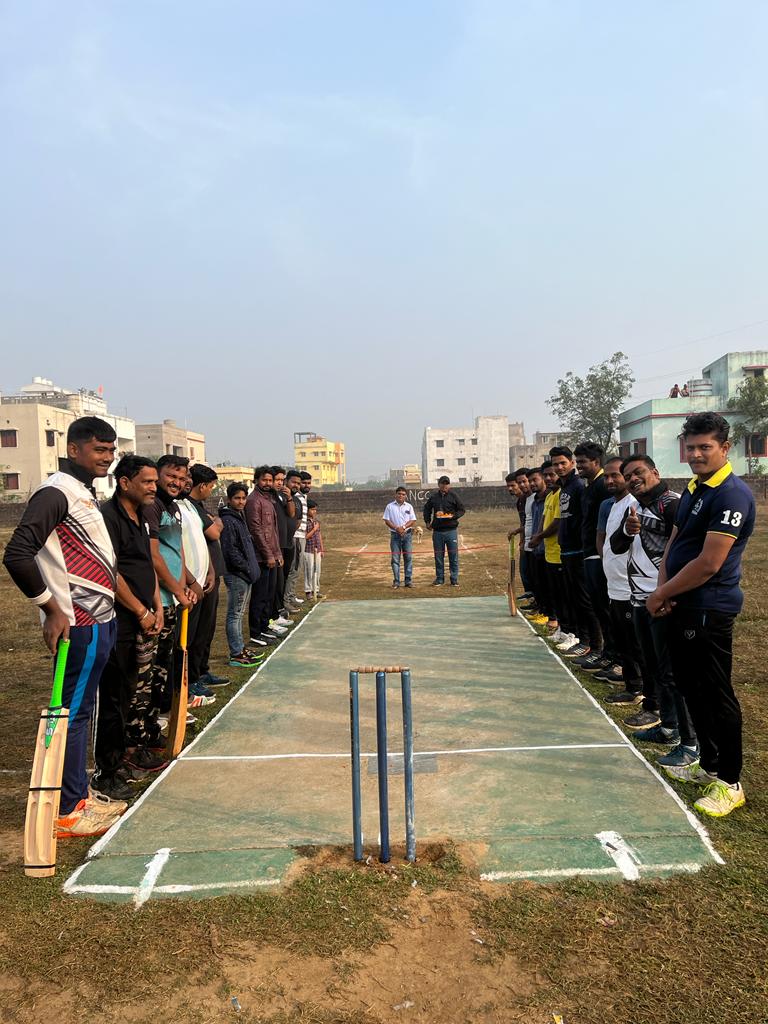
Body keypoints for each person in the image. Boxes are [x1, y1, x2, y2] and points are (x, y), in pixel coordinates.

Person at [3, 416, 124, 837]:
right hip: (79, 622)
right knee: (71, 714)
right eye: (99, 450)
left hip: (101, 618)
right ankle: (69, 810)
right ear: (74, 449)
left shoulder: (83, 491)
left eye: (111, 451)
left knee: (82, 711)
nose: (107, 458)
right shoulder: (56, 491)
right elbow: (17, 554)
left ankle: (79, 795)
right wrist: (51, 609)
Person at [651, 412, 755, 817]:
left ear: (725, 448)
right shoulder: (695, 488)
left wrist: (662, 592)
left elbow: (710, 563)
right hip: (681, 603)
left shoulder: (731, 495)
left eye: (704, 447)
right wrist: (664, 587)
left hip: (709, 607)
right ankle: (709, 766)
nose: (695, 454)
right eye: (690, 447)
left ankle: (730, 782)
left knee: (715, 693)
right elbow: (675, 543)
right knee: (690, 687)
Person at [609, 455, 697, 765]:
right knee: (656, 668)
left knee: (673, 673)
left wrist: (669, 592)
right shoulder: (634, 508)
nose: (633, 479)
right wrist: (627, 529)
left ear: (655, 472)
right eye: (628, 475)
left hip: (664, 600)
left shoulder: (672, 503)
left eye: (639, 472)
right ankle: (668, 727)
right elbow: (617, 546)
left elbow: (686, 547)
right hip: (639, 599)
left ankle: (690, 743)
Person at [94, 455, 166, 800]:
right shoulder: (108, 518)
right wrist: (139, 611)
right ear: (124, 483)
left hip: (145, 615)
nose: (154, 488)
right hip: (120, 619)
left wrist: (157, 605)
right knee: (115, 695)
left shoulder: (142, 516)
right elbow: (111, 571)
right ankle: (107, 771)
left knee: (135, 691)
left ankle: (129, 753)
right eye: (147, 482)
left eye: (154, 482)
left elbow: (145, 565)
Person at [144, 455, 200, 730]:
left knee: (165, 663)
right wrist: (178, 590)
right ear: (158, 475)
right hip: (158, 599)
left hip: (173, 597)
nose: (177, 482)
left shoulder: (173, 507)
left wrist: (186, 583)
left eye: (181, 477)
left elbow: (176, 551)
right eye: (171, 476)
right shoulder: (152, 506)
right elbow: (154, 556)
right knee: (152, 666)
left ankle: (162, 712)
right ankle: (148, 720)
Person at [595, 457, 646, 699]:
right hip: (614, 586)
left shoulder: (634, 504)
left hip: (629, 587)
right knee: (623, 641)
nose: (609, 480)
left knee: (634, 643)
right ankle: (631, 684)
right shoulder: (614, 505)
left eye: (615, 475)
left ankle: (641, 689)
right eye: (606, 476)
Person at [550, 445, 601, 658]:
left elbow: (585, 519)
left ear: (570, 463)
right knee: (574, 598)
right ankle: (580, 637)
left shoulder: (578, 486)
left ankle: (592, 643)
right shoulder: (565, 487)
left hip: (579, 550)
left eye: (563, 463)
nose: (559, 467)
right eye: (555, 464)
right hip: (567, 550)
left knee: (584, 599)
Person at [188, 464, 230, 691]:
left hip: (211, 572)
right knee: (198, 629)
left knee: (208, 627)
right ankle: (193, 676)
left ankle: (202, 670)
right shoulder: (191, 507)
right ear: (202, 485)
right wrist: (218, 522)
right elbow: (214, 531)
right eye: (211, 487)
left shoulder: (199, 507)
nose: (212, 491)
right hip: (199, 577)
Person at [572, 442, 614, 671]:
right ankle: (603, 652)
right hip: (588, 552)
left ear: (596, 462)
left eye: (582, 462)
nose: (578, 466)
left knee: (603, 608)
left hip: (599, 555)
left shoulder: (602, 487)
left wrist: (601, 553)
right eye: (577, 462)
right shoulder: (589, 487)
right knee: (596, 606)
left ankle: (607, 653)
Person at [176, 467, 216, 706]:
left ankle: (194, 678)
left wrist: (210, 570)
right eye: (179, 478)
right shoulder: (173, 507)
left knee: (199, 634)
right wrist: (190, 580)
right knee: (185, 639)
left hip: (201, 582)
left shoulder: (190, 506)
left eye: (186, 478)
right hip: (187, 587)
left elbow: (201, 540)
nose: (185, 482)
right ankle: (185, 685)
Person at [220, 483, 263, 666]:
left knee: (239, 614)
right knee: (235, 615)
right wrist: (246, 568)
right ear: (229, 499)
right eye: (237, 498)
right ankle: (236, 653)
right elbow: (230, 551)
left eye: (243, 498)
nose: (241, 501)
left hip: (244, 574)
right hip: (237, 574)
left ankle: (240, 648)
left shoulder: (239, 517)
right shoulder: (228, 520)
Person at [246, 466, 283, 646]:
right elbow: (256, 530)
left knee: (269, 595)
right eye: (264, 480)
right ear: (256, 480)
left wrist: (277, 553)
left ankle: (264, 627)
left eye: (270, 480)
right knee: (260, 596)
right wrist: (268, 555)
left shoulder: (268, 499)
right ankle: (256, 632)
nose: (268, 483)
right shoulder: (254, 501)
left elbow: (273, 531)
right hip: (261, 557)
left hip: (271, 555)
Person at [269, 466, 297, 633]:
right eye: (276, 480)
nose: (279, 483)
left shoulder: (281, 496)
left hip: (286, 544)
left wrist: (289, 498)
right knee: (275, 584)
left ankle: (278, 612)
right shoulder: (269, 497)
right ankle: (273, 616)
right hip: (276, 546)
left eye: (281, 480)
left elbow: (291, 514)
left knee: (282, 581)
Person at [423, 476, 465, 586]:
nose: (444, 485)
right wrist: (427, 522)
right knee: (438, 557)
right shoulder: (434, 497)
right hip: (437, 531)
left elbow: (462, 510)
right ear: (439, 485)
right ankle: (439, 579)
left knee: (453, 556)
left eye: (446, 484)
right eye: (442, 483)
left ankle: (454, 579)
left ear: (449, 485)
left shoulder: (453, 496)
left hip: (451, 530)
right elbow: (427, 509)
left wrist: (453, 516)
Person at [523, 467, 550, 625]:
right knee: (538, 583)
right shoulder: (535, 502)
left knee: (547, 585)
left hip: (547, 549)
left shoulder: (549, 498)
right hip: (535, 549)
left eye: (535, 480)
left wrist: (539, 538)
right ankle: (542, 610)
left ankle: (549, 615)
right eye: (530, 481)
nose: (532, 483)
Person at [383, 487, 417, 588]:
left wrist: (403, 527)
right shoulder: (390, 506)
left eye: (403, 494)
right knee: (395, 559)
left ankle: (408, 581)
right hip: (395, 535)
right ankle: (396, 581)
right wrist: (396, 528)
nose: (401, 496)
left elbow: (413, 520)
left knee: (408, 558)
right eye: (399, 494)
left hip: (407, 535)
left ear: (405, 496)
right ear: (395, 495)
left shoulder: (409, 507)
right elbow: (386, 520)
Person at [283, 469, 307, 610]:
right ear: (286, 481)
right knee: (293, 569)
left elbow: (298, 519)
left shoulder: (298, 499)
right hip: (295, 537)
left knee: (296, 569)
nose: (297, 485)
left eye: (299, 483)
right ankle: (286, 599)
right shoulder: (284, 497)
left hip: (299, 536)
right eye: (294, 482)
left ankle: (290, 596)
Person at [304, 499, 324, 598]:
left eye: (315, 510)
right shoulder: (305, 522)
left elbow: (319, 535)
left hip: (317, 550)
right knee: (309, 570)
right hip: (308, 550)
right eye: (312, 509)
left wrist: (322, 549)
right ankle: (308, 591)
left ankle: (316, 589)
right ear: (307, 510)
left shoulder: (316, 522)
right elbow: (305, 536)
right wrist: (314, 529)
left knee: (317, 570)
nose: (314, 511)